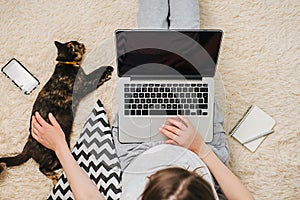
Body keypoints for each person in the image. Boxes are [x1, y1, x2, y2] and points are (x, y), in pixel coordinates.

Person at [31, 1, 254, 199]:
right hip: (201, 151)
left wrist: (60, 146)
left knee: (149, 53)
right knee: (188, 51)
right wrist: (199, 149)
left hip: (138, 153)